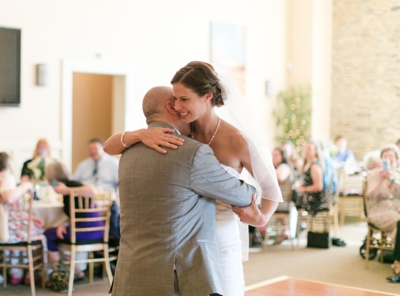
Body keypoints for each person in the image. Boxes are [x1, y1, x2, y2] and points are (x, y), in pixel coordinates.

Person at [109, 61, 282, 296]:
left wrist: (261, 217)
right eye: (175, 100)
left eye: (183, 99)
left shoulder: (236, 139)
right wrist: (139, 134)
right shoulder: (178, 133)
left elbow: (270, 187)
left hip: (221, 238)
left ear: (207, 97)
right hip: (186, 248)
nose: (177, 107)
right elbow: (110, 146)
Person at [0, 152, 44, 285]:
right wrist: (25, 186)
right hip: (6, 228)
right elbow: (9, 198)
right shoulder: (7, 178)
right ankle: (30, 273)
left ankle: (11, 271)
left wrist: (30, 217)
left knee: (31, 224)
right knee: (40, 232)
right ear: (9, 165)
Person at [42, 160, 100, 282]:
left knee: (48, 233)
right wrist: (65, 223)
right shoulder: (68, 188)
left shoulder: (72, 185)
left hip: (86, 231)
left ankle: (59, 275)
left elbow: (92, 191)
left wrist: (68, 190)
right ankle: (76, 272)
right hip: (95, 230)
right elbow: (78, 214)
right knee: (57, 234)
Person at [364, 146, 400, 241]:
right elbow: (372, 197)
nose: (388, 158)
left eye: (391, 156)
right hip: (380, 211)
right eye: (385, 156)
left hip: (398, 209)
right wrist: (381, 180)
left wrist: (392, 180)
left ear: (396, 159)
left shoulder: (399, 174)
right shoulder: (374, 174)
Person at [295, 140, 329, 216]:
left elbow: (318, 187)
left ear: (316, 151)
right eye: (306, 148)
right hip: (308, 197)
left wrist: (303, 189)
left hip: (315, 201)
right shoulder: (307, 163)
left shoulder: (315, 166)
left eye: (309, 149)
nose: (306, 151)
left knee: (292, 200)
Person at [271, 147, 296, 244]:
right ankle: (284, 231)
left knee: (254, 204)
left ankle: (259, 233)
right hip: (281, 201)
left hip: (282, 202)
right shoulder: (279, 167)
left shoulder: (284, 167)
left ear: (283, 157)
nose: (273, 157)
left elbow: (279, 178)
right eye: (273, 155)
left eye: (276, 155)